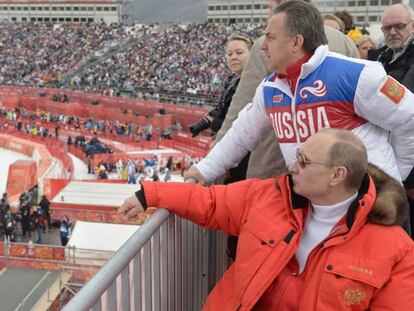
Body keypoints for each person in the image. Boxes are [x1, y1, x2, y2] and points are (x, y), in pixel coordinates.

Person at [119, 129, 414, 310]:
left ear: (338, 175)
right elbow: (209, 202)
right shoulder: (269, 195)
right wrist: (149, 195)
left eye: (304, 161)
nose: (292, 166)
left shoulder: (396, 249)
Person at [185, 0, 414, 189]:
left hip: (372, 209)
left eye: (270, 37)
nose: (263, 46)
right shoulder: (271, 88)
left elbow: (410, 117)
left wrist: (396, 174)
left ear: (296, 42)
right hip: (317, 206)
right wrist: (201, 171)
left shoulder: (357, 74)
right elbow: (240, 136)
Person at [206, 0, 359, 183]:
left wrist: (215, 155)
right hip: (333, 167)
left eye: (271, 8)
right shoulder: (345, 41)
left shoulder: (265, 45)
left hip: (275, 163)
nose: (268, 14)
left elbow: (242, 104)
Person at [368, 3, 414, 234]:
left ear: (412, 26)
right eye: (387, 28)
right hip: (387, 157)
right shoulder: (377, 60)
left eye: (399, 26)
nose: (393, 32)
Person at [188, 34, 253, 138]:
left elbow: (244, 126)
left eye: (239, 53)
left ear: (252, 54)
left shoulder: (254, 83)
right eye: (229, 54)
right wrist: (205, 122)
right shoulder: (232, 79)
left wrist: (214, 122)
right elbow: (221, 108)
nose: (234, 57)